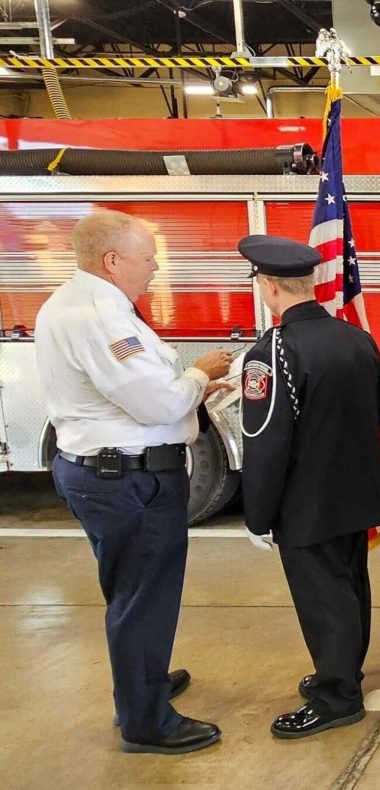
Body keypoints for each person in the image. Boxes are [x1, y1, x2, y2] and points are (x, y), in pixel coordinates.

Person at [35, 210, 232, 754]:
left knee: (130, 588)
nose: (155, 268)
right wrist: (201, 375)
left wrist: (185, 391)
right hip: (128, 480)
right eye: (148, 258)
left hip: (105, 473)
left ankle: (142, 678)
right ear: (113, 260)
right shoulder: (100, 315)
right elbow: (155, 401)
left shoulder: (75, 302)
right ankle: (147, 720)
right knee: (144, 595)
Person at [237, 235, 380, 738]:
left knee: (323, 599)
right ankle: (345, 670)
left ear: (268, 286)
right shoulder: (356, 337)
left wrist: (257, 514)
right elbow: (376, 413)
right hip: (357, 492)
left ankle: (337, 696)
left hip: (307, 503)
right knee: (349, 588)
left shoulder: (273, 352)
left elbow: (266, 442)